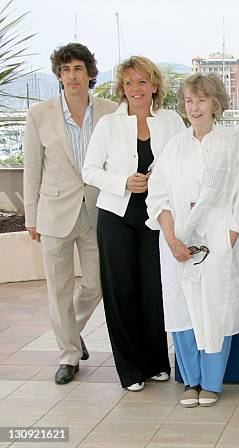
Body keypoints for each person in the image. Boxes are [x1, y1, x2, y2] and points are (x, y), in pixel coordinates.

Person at [146, 72, 239, 407]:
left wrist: (227, 240)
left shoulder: (235, 142)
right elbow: (158, 196)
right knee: (182, 311)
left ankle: (211, 382)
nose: (195, 107)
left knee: (215, 309)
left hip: (219, 246)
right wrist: (172, 240)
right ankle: (190, 381)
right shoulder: (174, 146)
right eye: (189, 101)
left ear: (216, 102)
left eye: (202, 100)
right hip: (177, 245)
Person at [82, 56, 185, 391]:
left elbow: (184, 163)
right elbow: (89, 171)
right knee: (121, 292)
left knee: (154, 291)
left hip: (157, 217)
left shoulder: (171, 121)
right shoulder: (109, 124)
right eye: (129, 83)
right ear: (121, 88)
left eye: (142, 82)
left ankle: (157, 362)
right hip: (116, 217)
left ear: (155, 85)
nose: (135, 89)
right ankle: (130, 370)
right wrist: (122, 182)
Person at [23, 43, 116, 385]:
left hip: (97, 210)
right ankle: (68, 355)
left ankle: (71, 333)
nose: (72, 75)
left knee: (96, 284)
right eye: (65, 70)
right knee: (58, 289)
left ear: (90, 73)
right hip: (53, 211)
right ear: (58, 75)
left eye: (78, 68)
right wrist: (30, 217)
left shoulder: (109, 111)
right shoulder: (39, 115)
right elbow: (32, 168)